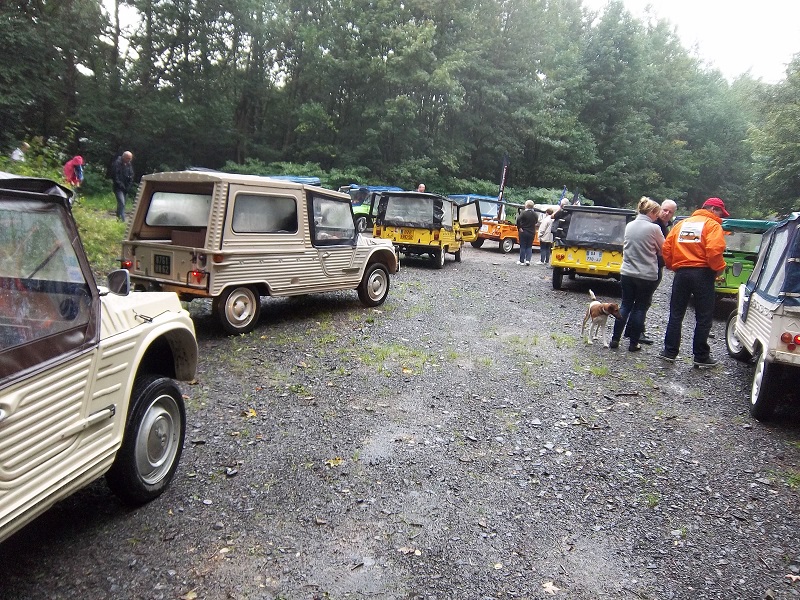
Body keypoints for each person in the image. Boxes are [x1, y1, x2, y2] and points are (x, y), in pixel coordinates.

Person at [659, 197, 728, 368]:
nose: (721, 216)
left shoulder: (681, 225)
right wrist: (718, 268)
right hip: (703, 273)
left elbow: (666, 248)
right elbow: (714, 250)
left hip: (682, 273)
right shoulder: (713, 225)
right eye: (720, 212)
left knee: (676, 313)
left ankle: (669, 352)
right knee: (704, 316)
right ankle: (701, 356)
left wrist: (673, 265)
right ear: (713, 209)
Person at [609, 197, 665, 351]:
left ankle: (615, 339)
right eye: (656, 213)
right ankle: (634, 343)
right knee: (640, 308)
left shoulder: (630, 225)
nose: (657, 216)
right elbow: (664, 249)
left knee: (625, 305)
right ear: (651, 212)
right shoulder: (654, 228)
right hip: (646, 275)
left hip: (627, 272)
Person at [624, 198, 678, 344]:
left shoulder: (665, 226)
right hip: (648, 268)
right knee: (642, 303)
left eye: (670, 212)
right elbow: (663, 249)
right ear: (658, 210)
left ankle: (630, 330)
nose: (666, 213)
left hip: (647, 267)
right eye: (664, 210)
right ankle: (637, 332)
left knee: (636, 303)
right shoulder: (654, 225)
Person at [111, 151, 135, 221]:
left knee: (122, 204)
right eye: (128, 158)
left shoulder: (129, 165)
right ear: (123, 157)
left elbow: (131, 175)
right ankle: (122, 220)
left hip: (126, 188)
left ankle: (118, 219)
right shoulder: (117, 164)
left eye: (130, 158)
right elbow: (115, 176)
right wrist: (121, 185)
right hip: (118, 188)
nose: (129, 160)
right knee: (122, 202)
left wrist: (129, 186)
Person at [515, 200, 538, 266]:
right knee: (529, 246)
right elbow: (536, 222)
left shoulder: (523, 213)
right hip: (532, 232)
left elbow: (518, 220)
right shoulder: (535, 214)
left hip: (523, 231)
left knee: (523, 246)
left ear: (526, 206)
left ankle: (521, 261)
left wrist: (519, 227)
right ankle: (528, 260)